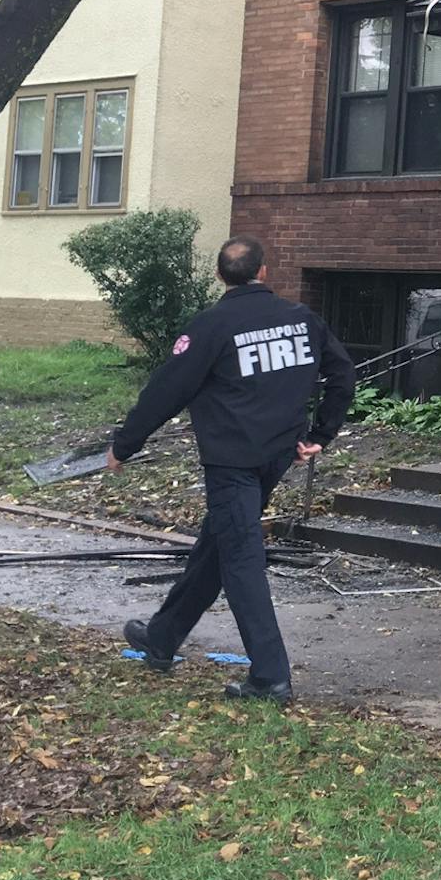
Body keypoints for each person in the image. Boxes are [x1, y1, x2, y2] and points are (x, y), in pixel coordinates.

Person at [111, 234, 354, 703]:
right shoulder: (301, 320)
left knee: (241, 557)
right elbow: (343, 375)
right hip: (278, 454)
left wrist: (125, 445)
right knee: (220, 542)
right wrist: (321, 435)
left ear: (221, 276)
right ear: (263, 272)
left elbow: (165, 390)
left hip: (232, 462)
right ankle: (161, 638)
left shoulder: (211, 327)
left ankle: (270, 677)